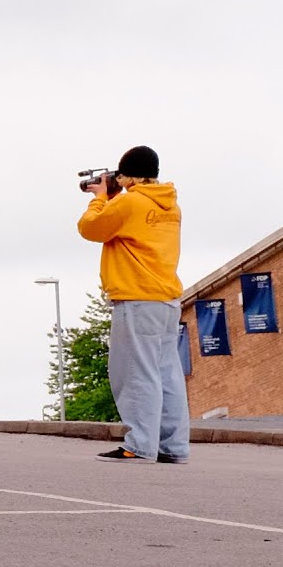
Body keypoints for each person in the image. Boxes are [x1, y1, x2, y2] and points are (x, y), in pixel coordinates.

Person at [78, 145, 189, 464]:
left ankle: (139, 445)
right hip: (166, 299)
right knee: (167, 374)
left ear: (127, 175)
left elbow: (91, 228)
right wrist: (116, 194)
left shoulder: (131, 203)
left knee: (135, 373)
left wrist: (100, 196)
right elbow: (128, 225)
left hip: (137, 297)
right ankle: (173, 446)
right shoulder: (170, 205)